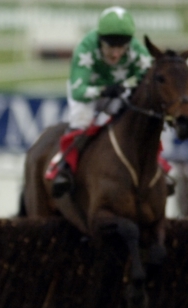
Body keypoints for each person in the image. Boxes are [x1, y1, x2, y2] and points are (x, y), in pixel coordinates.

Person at [47, 6, 155, 198]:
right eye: (110, 47)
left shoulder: (138, 51)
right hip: (87, 92)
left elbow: (149, 77)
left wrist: (127, 85)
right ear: (100, 41)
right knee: (82, 120)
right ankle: (64, 170)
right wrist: (104, 90)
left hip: (115, 92)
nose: (115, 54)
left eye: (121, 47)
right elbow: (79, 91)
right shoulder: (85, 48)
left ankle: (157, 167)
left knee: (133, 120)